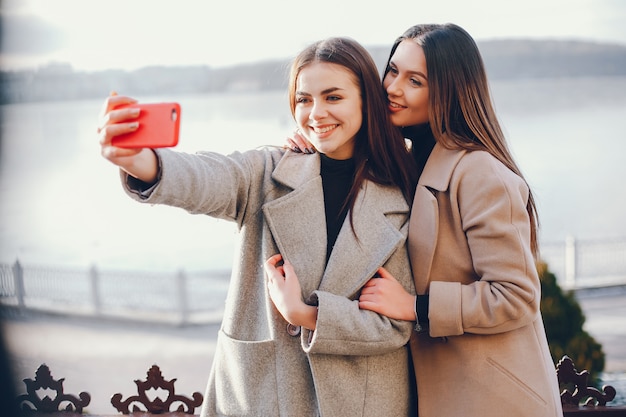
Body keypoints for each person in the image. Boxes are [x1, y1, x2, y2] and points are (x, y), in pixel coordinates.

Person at [97, 37, 418, 417]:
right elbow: (210, 176)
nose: (316, 113)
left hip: (364, 401)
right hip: (264, 395)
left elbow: (393, 327)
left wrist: (308, 315)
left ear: (366, 100)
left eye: (333, 98)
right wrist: (143, 162)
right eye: (304, 100)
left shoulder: (402, 189)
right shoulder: (267, 172)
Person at [289, 23, 563, 417]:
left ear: (448, 92)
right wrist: (311, 142)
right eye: (392, 70)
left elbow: (517, 296)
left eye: (414, 80)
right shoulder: (404, 160)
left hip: (493, 397)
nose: (393, 88)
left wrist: (417, 307)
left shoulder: (480, 172)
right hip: (434, 392)